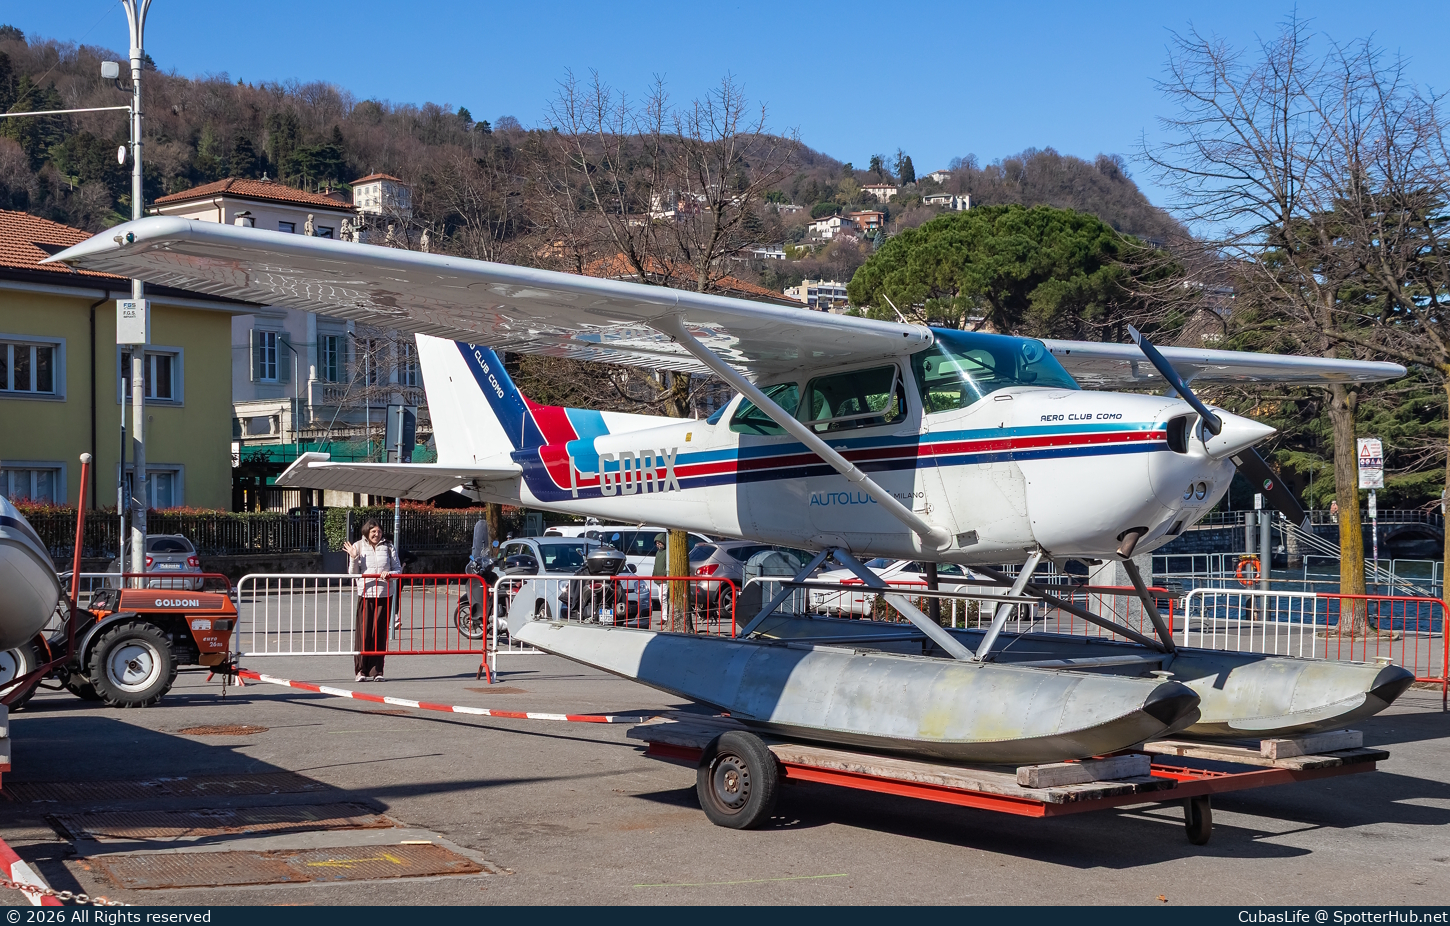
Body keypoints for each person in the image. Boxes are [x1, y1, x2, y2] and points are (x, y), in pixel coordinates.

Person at [344, 518, 400, 682]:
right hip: (366, 594)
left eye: (379, 531)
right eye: (373, 531)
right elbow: (353, 573)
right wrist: (354, 558)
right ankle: (360, 670)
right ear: (367, 532)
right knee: (364, 633)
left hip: (384, 594)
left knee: (380, 633)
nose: (377, 534)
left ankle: (377, 671)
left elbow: (397, 569)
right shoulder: (358, 546)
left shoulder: (388, 547)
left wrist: (390, 575)